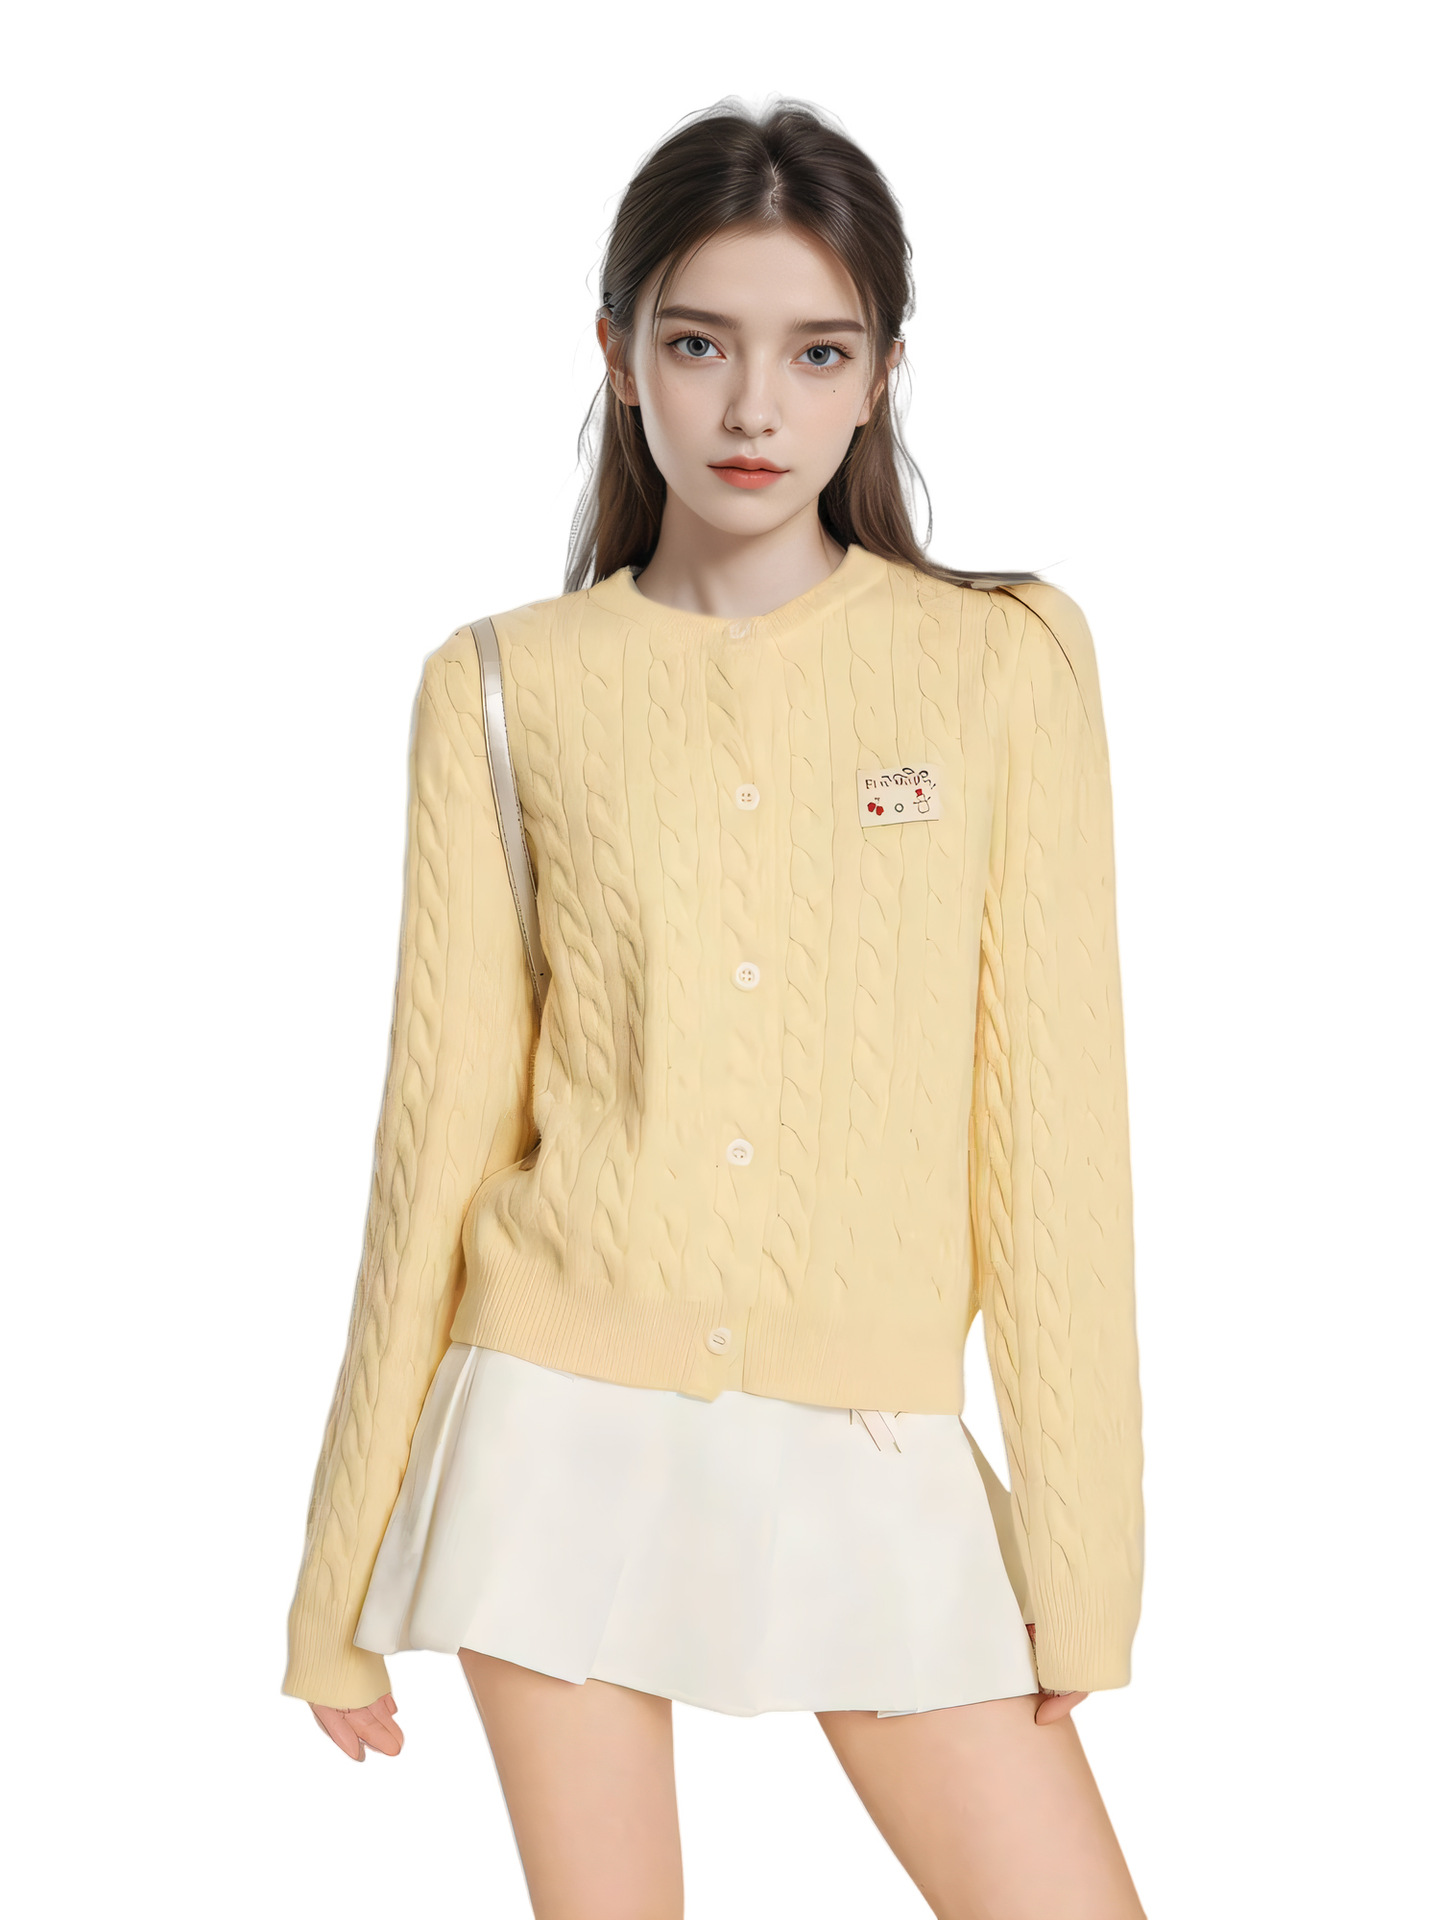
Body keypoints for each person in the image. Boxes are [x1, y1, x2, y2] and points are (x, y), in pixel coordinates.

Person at [282, 96, 1146, 1920]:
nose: (756, 406)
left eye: (816, 350)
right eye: (700, 344)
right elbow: (433, 1143)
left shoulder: (1003, 664)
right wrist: (333, 1575)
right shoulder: (500, 686)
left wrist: (1084, 1556)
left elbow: (1055, 1135)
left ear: (882, 374)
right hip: (550, 1431)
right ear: (619, 357)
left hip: (871, 1436)